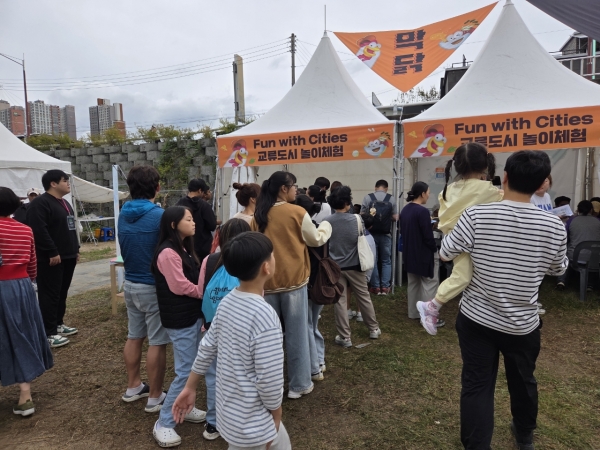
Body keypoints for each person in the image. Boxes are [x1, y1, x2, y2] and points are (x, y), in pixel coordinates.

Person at [441, 150, 567, 450]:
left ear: (505, 177)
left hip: (476, 319)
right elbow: (558, 268)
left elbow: (445, 252)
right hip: (522, 323)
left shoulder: (476, 215)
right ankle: (524, 434)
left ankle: (476, 444)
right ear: (542, 183)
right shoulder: (554, 226)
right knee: (523, 381)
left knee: (477, 384)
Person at [172, 232, 291, 450]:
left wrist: (190, 386)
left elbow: (207, 347)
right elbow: (269, 378)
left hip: (231, 419)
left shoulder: (227, 302)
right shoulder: (265, 316)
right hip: (256, 425)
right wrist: (276, 414)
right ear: (266, 267)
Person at [251, 171, 331, 399]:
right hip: (294, 282)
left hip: (267, 283)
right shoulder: (297, 212)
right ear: (284, 189)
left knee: (269, 337)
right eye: (294, 185)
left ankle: (271, 384)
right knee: (297, 335)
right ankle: (299, 384)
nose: (297, 189)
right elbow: (315, 238)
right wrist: (326, 226)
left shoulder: (259, 215)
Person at [416, 142, 502, 335]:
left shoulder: (448, 190)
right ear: (485, 164)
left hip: (453, 239)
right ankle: (432, 305)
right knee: (464, 277)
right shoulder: (488, 191)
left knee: (464, 276)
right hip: (474, 241)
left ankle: (434, 306)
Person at [150, 206, 207, 447]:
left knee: (193, 366)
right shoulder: (167, 252)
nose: (193, 223)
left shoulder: (182, 248)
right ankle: (164, 422)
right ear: (173, 225)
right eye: (189, 219)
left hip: (190, 316)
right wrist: (203, 293)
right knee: (185, 371)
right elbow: (179, 286)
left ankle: (185, 407)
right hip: (180, 319)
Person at [119, 166, 169, 414]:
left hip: (130, 283)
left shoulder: (123, 213)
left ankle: (133, 386)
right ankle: (155, 396)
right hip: (152, 286)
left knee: (135, 335)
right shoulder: (160, 216)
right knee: (157, 341)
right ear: (157, 187)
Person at [0, 187, 53, 418]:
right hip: (22, 286)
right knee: (21, 335)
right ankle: (25, 396)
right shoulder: (24, 229)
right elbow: (32, 264)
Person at [197, 218, 251, 441]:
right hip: (243, 331)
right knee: (242, 375)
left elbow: (201, 292)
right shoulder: (252, 261)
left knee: (213, 376)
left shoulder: (209, 260)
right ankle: (239, 420)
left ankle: (213, 422)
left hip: (212, 327)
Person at [25, 170, 79, 348]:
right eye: (65, 180)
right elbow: (39, 230)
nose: (68, 183)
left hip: (68, 255)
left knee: (62, 292)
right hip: (51, 258)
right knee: (49, 294)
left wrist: (76, 249)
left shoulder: (64, 202)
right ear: (53, 183)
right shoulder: (40, 203)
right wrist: (51, 251)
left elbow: (70, 227)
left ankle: (58, 323)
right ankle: (48, 332)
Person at [327, 186, 382, 348]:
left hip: (335, 267)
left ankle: (345, 337)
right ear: (348, 202)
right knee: (363, 296)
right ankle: (373, 329)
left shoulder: (327, 221)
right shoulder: (357, 219)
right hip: (356, 265)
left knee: (340, 301)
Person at [294, 194, 326, 380]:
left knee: (307, 326)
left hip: (305, 283)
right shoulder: (320, 229)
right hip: (320, 283)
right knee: (313, 325)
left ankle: (314, 367)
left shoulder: (298, 232)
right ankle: (320, 360)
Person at [399, 182, 438, 321]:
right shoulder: (422, 212)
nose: (428, 195)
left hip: (409, 252)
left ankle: (413, 313)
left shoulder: (405, 210)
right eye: (428, 193)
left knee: (413, 284)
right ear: (422, 194)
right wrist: (435, 249)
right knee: (429, 284)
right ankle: (427, 316)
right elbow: (427, 236)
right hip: (424, 253)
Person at [361, 179, 398, 295]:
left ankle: (375, 287)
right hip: (386, 234)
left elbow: (362, 215)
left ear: (375, 187)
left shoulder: (368, 198)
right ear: (386, 188)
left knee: (373, 260)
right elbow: (396, 217)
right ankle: (385, 287)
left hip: (371, 234)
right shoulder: (391, 199)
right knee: (386, 260)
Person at [556, 200, 600, 290]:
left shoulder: (572, 221)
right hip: (596, 258)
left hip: (575, 257)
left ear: (578, 210)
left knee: (565, 251)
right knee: (593, 253)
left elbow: (565, 237)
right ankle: (590, 284)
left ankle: (561, 280)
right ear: (591, 210)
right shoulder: (598, 221)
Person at [176, 179, 217, 262]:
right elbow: (212, 225)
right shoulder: (204, 205)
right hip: (203, 248)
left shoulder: (179, 204)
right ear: (200, 190)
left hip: (184, 246)